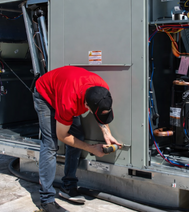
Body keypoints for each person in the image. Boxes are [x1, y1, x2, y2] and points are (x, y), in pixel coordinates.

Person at [33, 66, 122, 212]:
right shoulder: (69, 104)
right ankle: (46, 200)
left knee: (78, 136)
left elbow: (99, 113)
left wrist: (107, 133)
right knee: (50, 144)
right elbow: (63, 135)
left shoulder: (102, 89)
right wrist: (90, 148)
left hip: (66, 88)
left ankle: (68, 185)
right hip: (45, 95)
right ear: (86, 105)